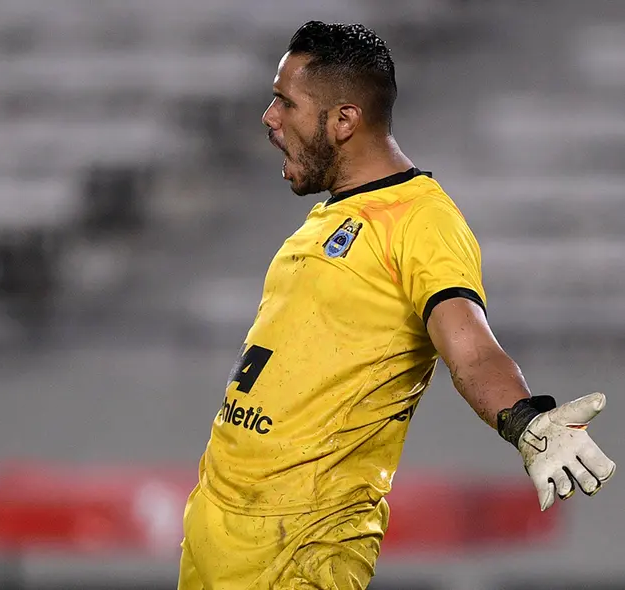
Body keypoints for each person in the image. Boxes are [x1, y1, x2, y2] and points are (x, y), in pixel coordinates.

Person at [177, 20, 615, 590]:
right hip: (221, 539)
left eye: (286, 101)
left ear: (344, 121)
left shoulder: (422, 221)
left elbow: (472, 348)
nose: (269, 116)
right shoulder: (328, 221)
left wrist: (526, 420)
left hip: (302, 553)